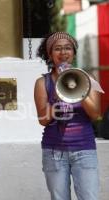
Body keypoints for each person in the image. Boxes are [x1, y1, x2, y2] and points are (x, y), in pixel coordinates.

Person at [34, 32, 100, 200]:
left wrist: (78, 89)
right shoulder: (43, 82)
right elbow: (43, 120)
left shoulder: (88, 79)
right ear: (50, 54)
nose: (63, 53)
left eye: (67, 48)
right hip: (54, 151)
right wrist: (59, 92)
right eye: (57, 49)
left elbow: (95, 114)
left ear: (74, 52)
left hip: (84, 149)